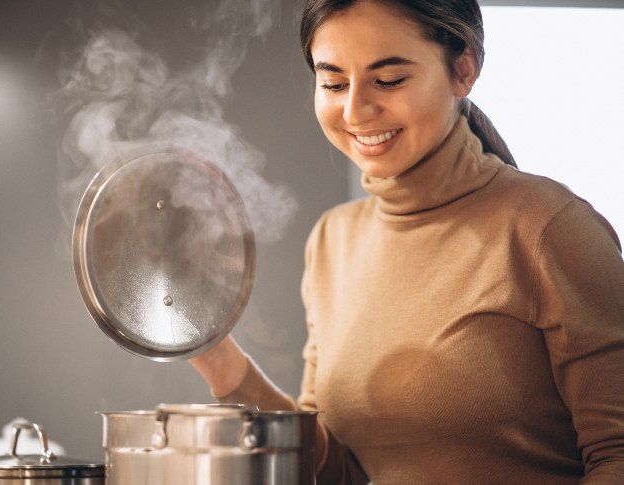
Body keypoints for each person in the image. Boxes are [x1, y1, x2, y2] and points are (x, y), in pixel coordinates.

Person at [190, 0, 624, 483]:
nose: (355, 109)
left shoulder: (550, 228)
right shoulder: (333, 240)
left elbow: (617, 455)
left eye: (389, 80)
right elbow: (334, 471)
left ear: (464, 68)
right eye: (333, 83)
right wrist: (216, 356)